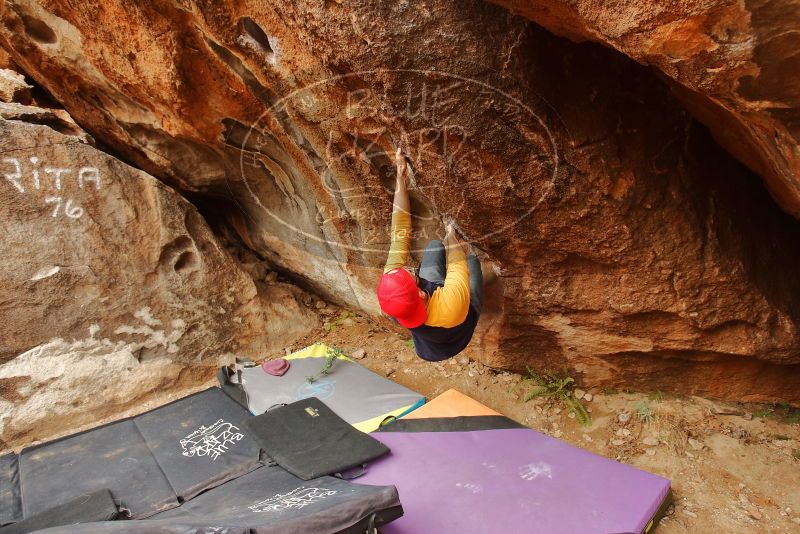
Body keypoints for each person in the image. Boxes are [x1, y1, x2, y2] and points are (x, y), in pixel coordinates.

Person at [376, 148, 483, 361]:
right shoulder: (450, 307)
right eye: (413, 276)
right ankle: (477, 305)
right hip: (458, 328)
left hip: (428, 338)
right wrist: (451, 233)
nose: (406, 269)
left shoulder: (394, 297)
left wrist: (401, 175)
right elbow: (456, 262)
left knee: (435, 246)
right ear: (421, 293)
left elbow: (400, 230)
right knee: (472, 261)